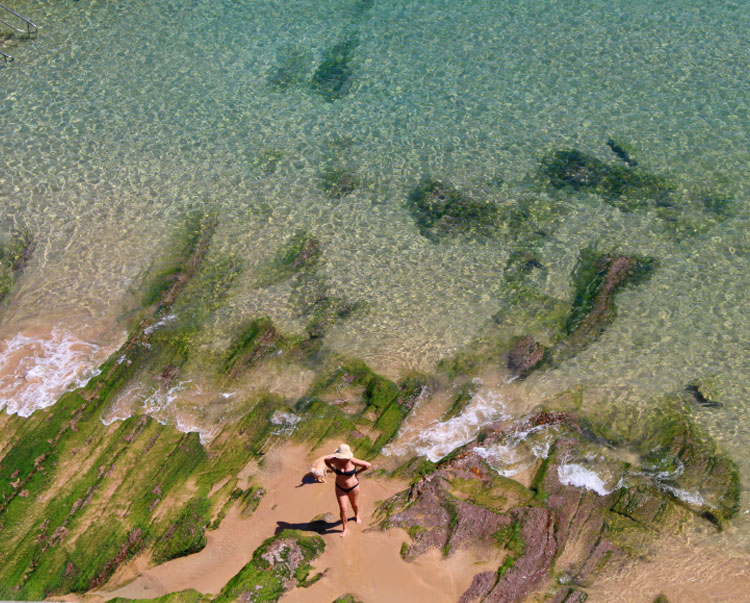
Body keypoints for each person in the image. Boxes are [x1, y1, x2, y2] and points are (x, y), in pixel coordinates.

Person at [324, 443, 372, 537]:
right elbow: (326, 461)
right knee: (343, 508)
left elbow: (367, 465)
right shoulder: (334, 459)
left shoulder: (352, 460)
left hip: (353, 487)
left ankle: (356, 515)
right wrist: (333, 469)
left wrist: (356, 473)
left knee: (354, 504)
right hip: (339, 487)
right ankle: (345, 529)